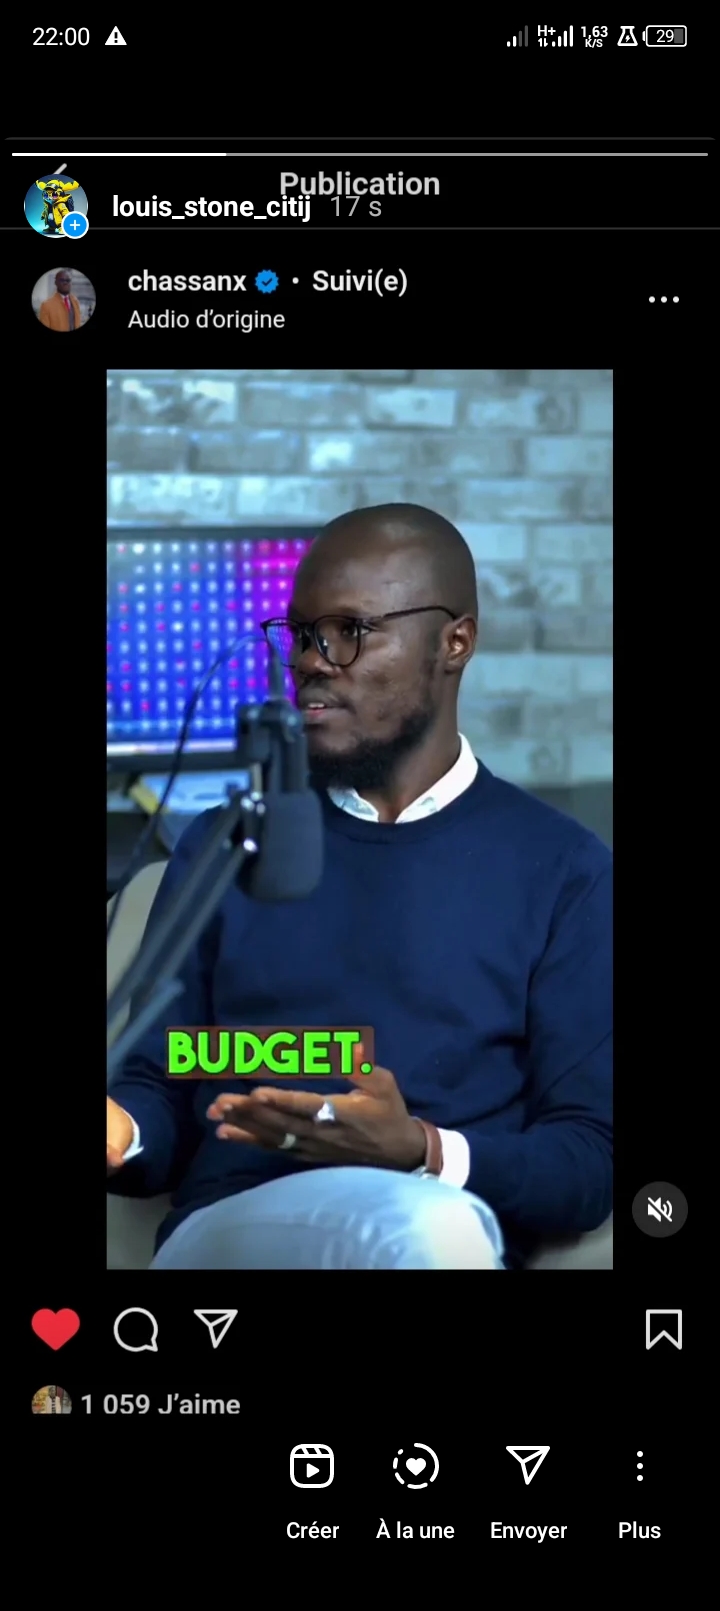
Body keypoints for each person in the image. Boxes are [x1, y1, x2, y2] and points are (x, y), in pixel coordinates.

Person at [107, 503, 613, 1270]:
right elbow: (162, 1080)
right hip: (233, 1226)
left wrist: (420, 1149)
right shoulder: (225, 844)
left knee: (432, 1230)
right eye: (301, 634)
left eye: (348, 630)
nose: (311, 661)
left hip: (444, 1230)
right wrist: (125, 1131)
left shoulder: (565, 870)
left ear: (454, 642)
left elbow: (588, 1159)